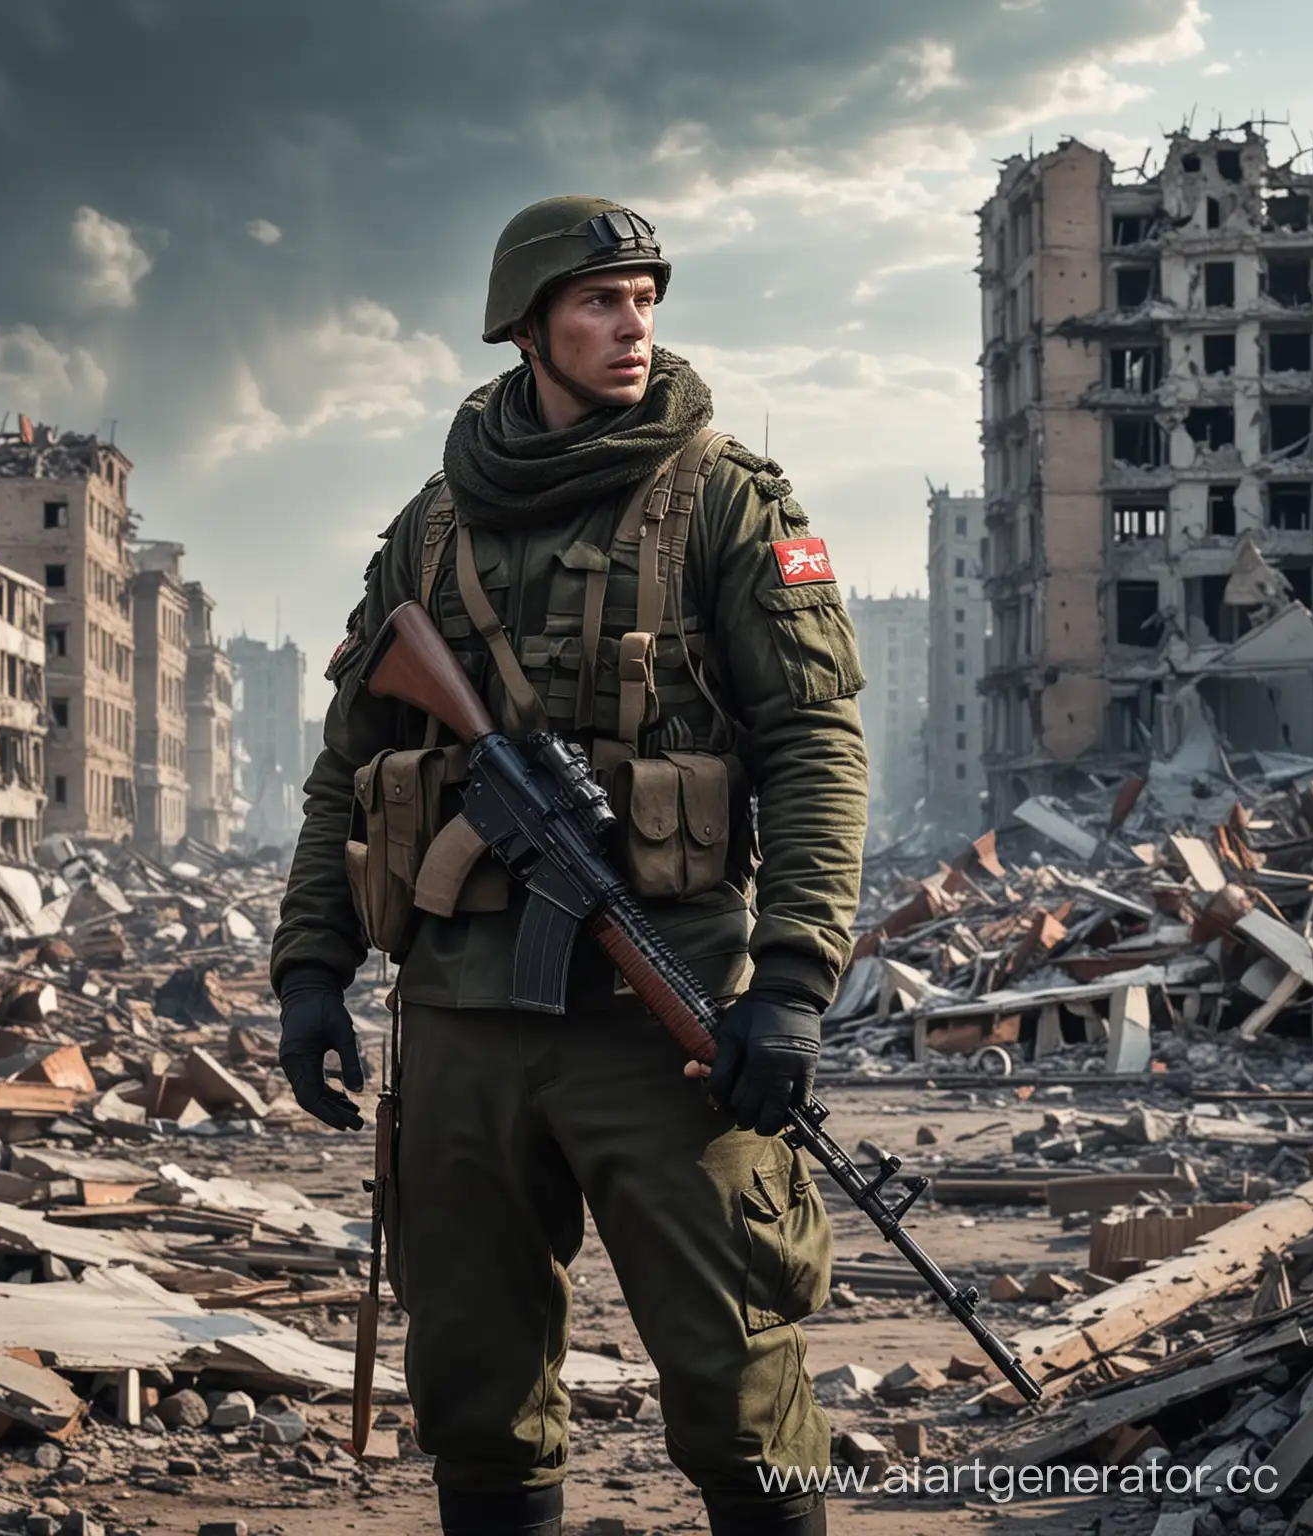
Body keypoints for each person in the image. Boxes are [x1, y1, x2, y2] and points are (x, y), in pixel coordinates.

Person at [271, 196, 869, 1536]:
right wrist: (312, 967)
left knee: (736, 1377)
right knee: (475, 1386)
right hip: (463, 1018)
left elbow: (816, 746)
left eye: (646, 297)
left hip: (664, 1017)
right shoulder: (428, 532)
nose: (633, 325)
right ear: (528, 326)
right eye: (601, 301)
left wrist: (792, 983)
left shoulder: (730, 502)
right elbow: (348, 770)